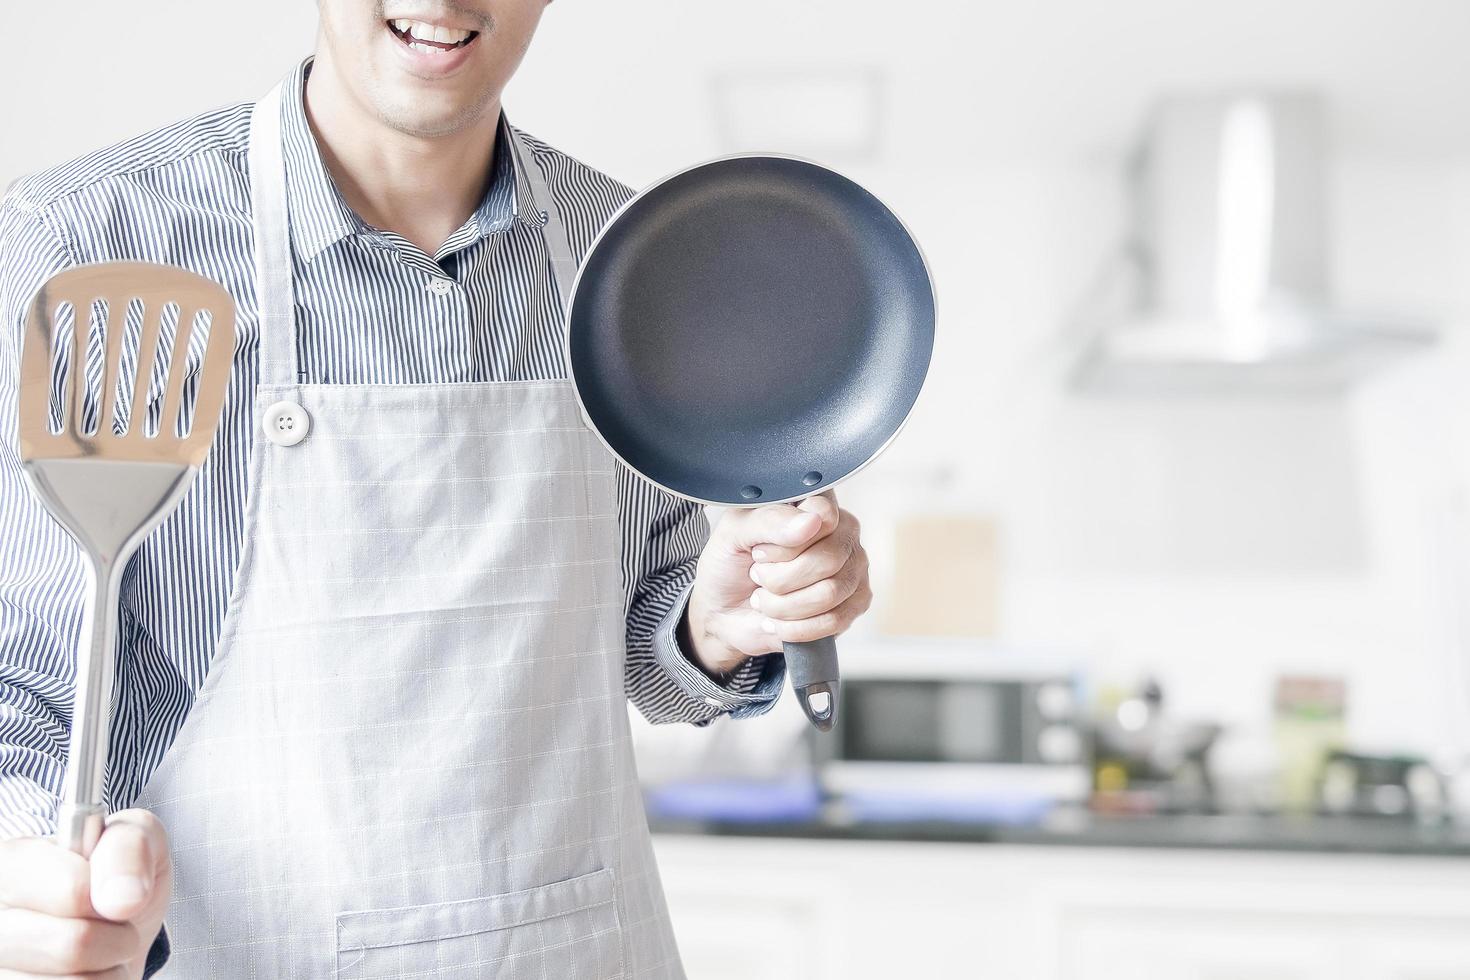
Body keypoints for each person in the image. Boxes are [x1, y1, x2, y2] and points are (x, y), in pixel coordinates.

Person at [0, 2, 873, 976]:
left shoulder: (625, 261)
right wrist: (28, 867)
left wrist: (715, 620)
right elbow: (18, 684)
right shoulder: (86, 242)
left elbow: (647, 644)